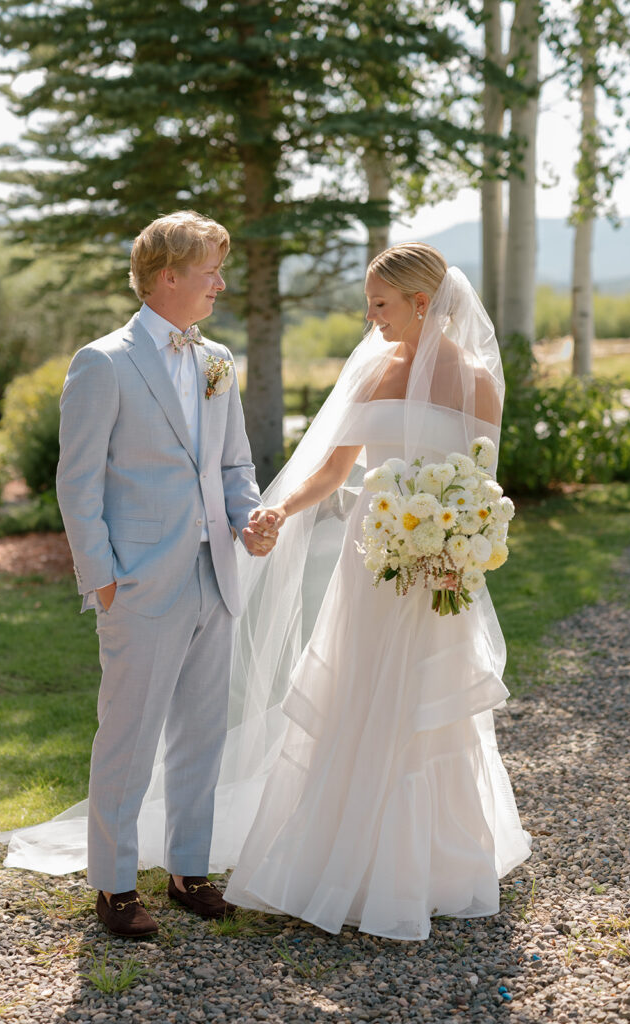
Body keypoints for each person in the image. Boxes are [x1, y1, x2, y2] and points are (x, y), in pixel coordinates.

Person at [221, 242, 531, 939]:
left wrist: (459, 550)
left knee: (427, 702)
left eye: (381, 304)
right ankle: (339, 857)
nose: (371, 316)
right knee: (359, 692)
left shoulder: (478, 382)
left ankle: (431, 866)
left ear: (424, 303)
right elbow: (332, 474)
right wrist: (280, 509)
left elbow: (481, 488)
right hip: (372, 563)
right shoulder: (373, 374)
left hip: (441, 570)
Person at [43, 210, 277, 938]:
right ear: (167, 276)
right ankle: (114, 886)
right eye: (210, 269)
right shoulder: (102, 363)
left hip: (215, 573)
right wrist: (103, 580)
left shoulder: (218, 361)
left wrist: (251, 516)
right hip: (139, 583)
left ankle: (188, 870)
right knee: (129, 734)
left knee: (202, 733)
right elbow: (76, 483)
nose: (220, 282)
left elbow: (234, 464)